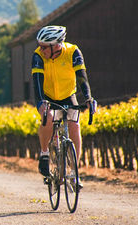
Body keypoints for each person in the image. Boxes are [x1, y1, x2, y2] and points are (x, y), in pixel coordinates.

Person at [31, 25, 96, 188]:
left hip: (68, 95)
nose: (41, 49)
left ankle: (74, 172)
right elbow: (37, 81)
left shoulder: (73, 52)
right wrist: (41, 102)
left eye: (45, 46)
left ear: (57, 45)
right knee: (49, 118)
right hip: (46, 96)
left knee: (74, 126)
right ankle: (45, 153)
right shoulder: (38, 56)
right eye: (40, 45)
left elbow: (82, 77)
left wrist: (88, 98)